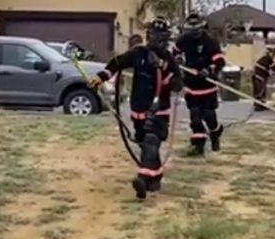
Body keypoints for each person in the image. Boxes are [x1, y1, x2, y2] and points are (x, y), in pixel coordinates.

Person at [90, 17, 181, 200]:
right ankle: (154, 177)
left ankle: (142, 179)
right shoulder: (138, 53)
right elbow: (117, 63)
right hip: (138, 110)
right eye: (152, 35)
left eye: (159, 36)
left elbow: (177, 85)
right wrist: (102, 76)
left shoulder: (169, 60)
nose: (155, 39)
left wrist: (162, 67)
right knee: (146, 146)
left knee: (151, 142)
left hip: (158, 111)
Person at [175, 12, 225, 156]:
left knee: (209, 116)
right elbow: (175, 52)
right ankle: (198, 147)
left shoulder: (211, 41)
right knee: (195, 117)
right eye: (191, 29)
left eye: (197, 29)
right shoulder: (183, 40)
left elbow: (219, 60)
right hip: (191, 84)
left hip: (208, 85)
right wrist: (178, 58)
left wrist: (209, 69)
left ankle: (216, 133)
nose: (194, 32)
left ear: (202, 27)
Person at [252, 47, 275, 111]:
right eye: (274, 54)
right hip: (259, 78)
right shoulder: (267, 59)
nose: (274, 56)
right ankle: (258, 106)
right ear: (270, 53)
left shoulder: (265, 59)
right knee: (260, 92)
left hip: (259, 77)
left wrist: (272, 73)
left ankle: (261, 105)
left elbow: (271, 69)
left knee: (262, 92)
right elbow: (274, 69)